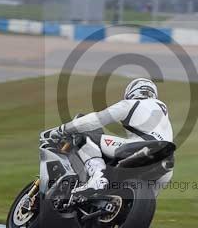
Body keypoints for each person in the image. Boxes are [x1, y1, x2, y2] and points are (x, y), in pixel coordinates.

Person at [41, 78, 173, 198]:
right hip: (166, 164)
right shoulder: (164, 114)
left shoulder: (131, 104)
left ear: (132, 91)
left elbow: (95, 120)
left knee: (86, 136)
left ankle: (97, 178)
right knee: (144, 200)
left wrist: (62, 129)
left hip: (142, 147)